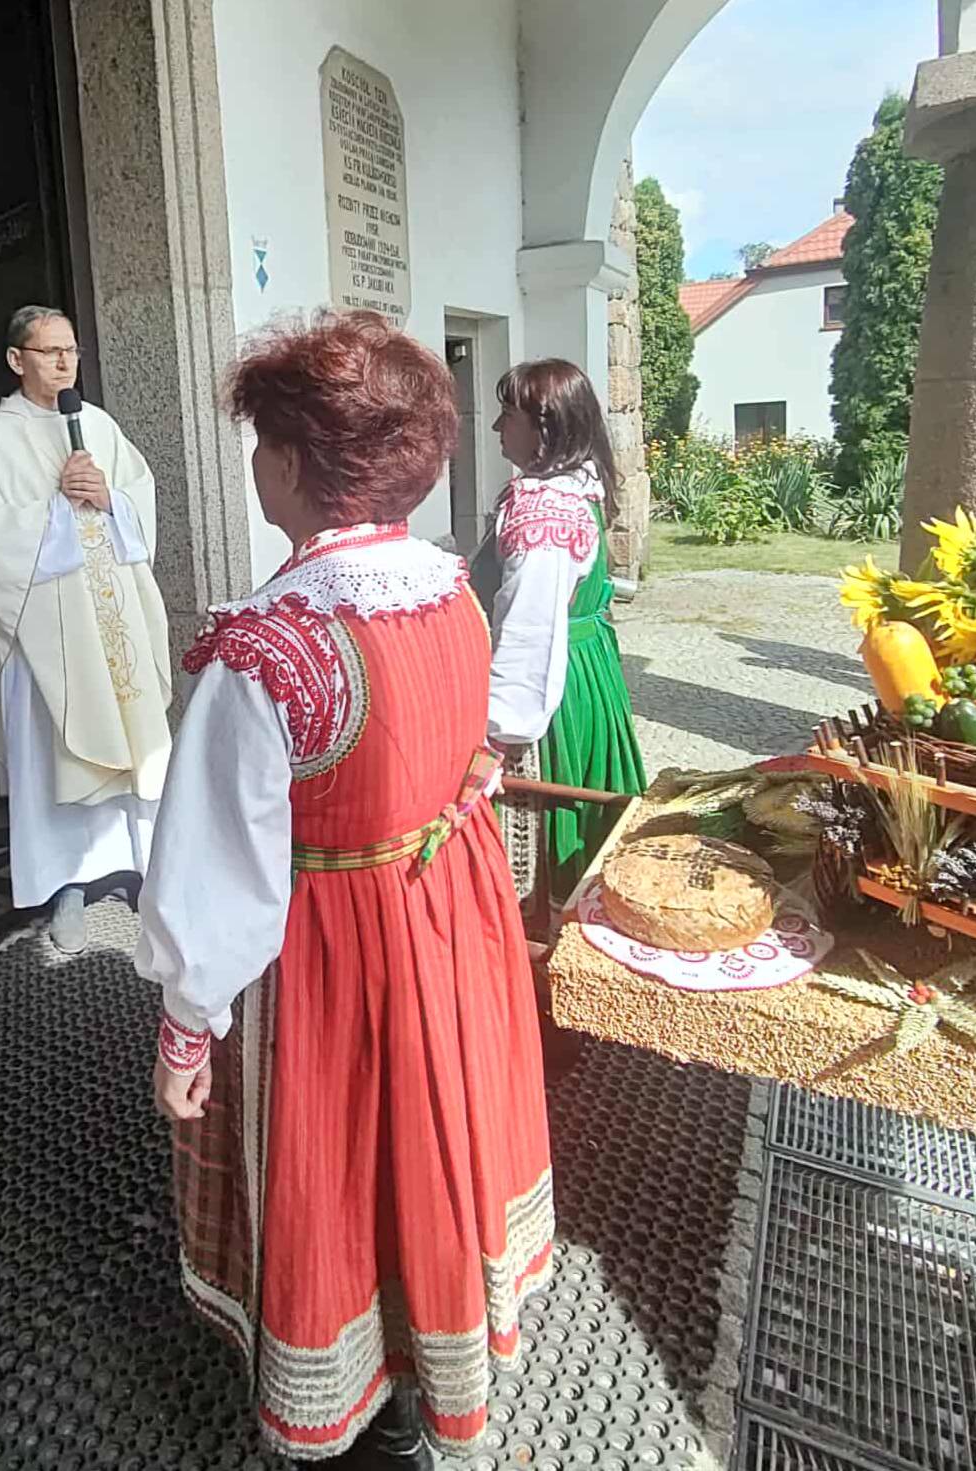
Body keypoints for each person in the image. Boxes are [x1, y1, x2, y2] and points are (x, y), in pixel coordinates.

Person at [135, 311, 554, 1468]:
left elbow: (215, 872)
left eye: (261, 443)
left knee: (340, 1151)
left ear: (288, 463)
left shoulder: (270, 648)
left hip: (336, 951)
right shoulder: (450, 590)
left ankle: (362, 1393)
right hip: (446, 921)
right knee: (428, 1133)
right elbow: (479, 739)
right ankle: (425, 1371)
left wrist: (186, 1026)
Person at [0, 305, 171, 954]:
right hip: (43, 635)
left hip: (112, 621)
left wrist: (110, 499)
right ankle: (66, 885)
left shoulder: (98, 425)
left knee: (134, 740)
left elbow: (138, 499)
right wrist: (56, 508)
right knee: (53, 751)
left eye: (70, 350)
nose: (63, 362)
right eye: (48, 351)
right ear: (15, 360)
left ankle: (142, 864)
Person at [478, 359, 647, 902]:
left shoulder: (545, 510)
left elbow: (529, 629)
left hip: (551, 687)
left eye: (509, 415)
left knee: (538, 829)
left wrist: (498, 733)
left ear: (545, 427)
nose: (497, 427)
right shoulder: (576, 489)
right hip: (586, 670)